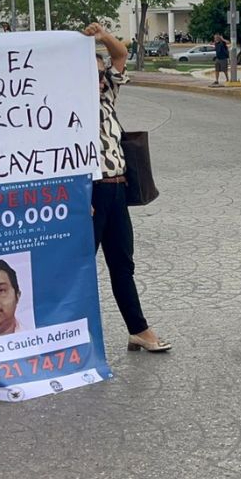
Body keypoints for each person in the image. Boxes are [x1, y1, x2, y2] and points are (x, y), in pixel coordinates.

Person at [84, 22, 173, 353]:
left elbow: (120, 54)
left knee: (123, 265)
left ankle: (138, 329)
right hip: (89, 195)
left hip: (117, 191)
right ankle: (73, 335)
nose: (99, 79)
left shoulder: (108, 97)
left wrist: (102, 34)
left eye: (100, 74)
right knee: (81, 269)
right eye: (91, 75)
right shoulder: (65, 112)